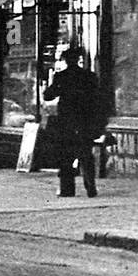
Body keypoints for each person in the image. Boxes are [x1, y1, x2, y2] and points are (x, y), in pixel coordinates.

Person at [44, 47, 106, 198]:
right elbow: (97, 98)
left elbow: (48, 96)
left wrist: (52, 86)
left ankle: (67, 189)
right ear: (78, 59)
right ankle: (90, 186)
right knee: (86, 154)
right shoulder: (89, 76)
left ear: (66, 60)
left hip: (67, 121)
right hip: (85, 120)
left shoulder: (61, 76)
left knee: (66, 156)